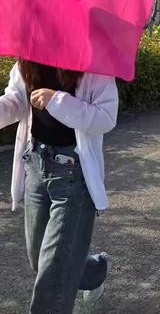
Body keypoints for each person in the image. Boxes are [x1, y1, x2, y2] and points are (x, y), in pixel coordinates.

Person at [0, 60, 118, 313]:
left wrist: (58, 100)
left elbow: (106, 118)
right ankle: (95, 270)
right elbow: (16, 101)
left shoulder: (93, 64)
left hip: (74, 173)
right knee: (41, 259)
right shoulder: (28, 59)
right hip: (35, 165)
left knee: (54, 273)